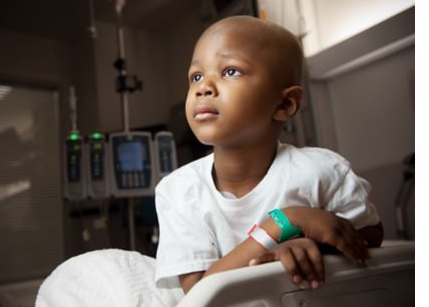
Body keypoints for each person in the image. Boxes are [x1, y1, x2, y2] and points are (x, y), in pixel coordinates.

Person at [154, 15, 384, 295]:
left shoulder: (323, 170)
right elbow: (200, 293)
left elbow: (370, 236)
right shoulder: (179, 191)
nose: (203, 87)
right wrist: (285, 224)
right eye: (196, 76)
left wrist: (311, 248)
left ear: (285, 104)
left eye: (230, 71)